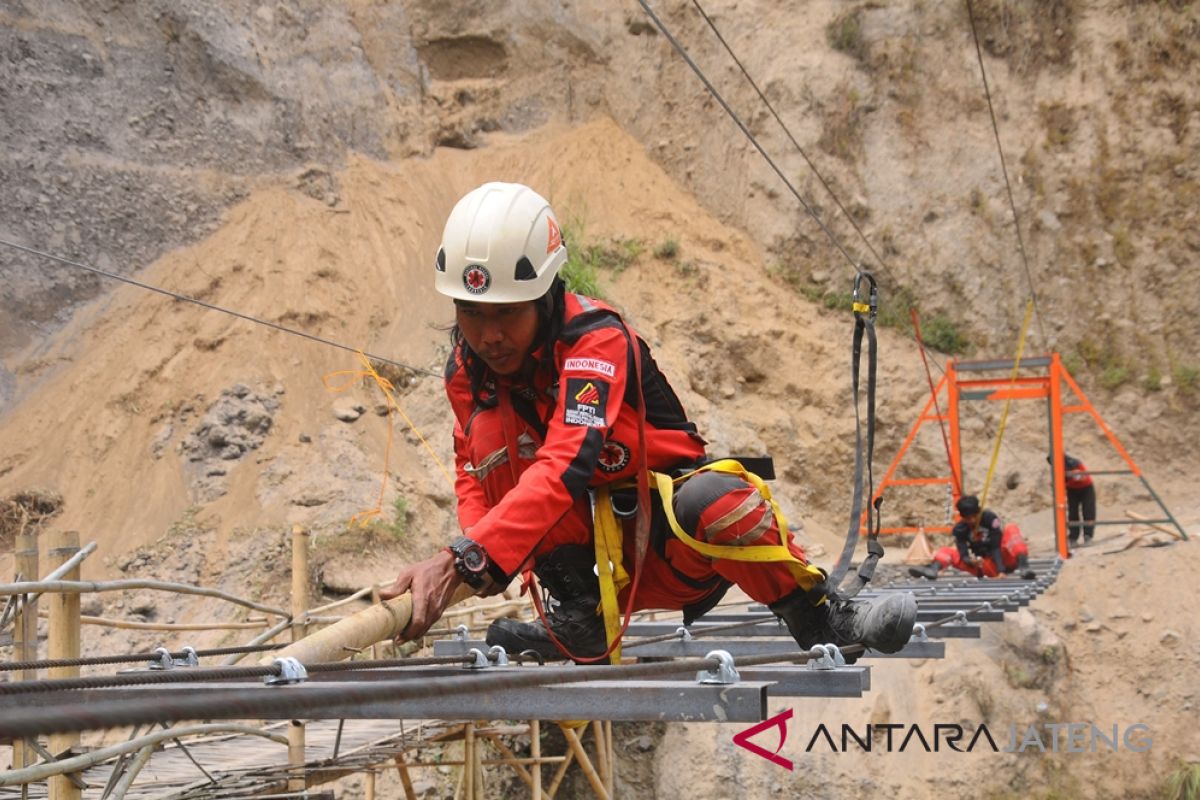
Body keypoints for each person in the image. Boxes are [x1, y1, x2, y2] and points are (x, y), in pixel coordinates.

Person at [380, 181, 917, 663]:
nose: (488, 334)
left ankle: (821, 615)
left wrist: (465, 558)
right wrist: (471, 557)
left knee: (712, 497)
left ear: (546, 297)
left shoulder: (595, 342)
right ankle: (579, 616)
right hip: (579, 559)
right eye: (472, 312)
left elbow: (567, 460)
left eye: (507, 312)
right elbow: (474, 472)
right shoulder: (467, 371)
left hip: (668, 544)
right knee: (495, 437)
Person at [908, 494, 1036, 581]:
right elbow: (963, 553)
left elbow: (996, 546)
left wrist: (1001, 571)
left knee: (1011, 528)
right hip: (984, 565)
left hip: (1003, 560)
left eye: (974, 516)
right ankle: (933, 569)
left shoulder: (990, 519)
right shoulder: (960, 529)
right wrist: (970, 561)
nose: (972, 520)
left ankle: (1024, 565)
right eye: (968, 518)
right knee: (946, 551)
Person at [1058, 453, 1096, 546]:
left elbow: (1081, 477)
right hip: (1071, 489)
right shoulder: (1058, 466)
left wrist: (1070, 476)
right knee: (1072, 513)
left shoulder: (1074, 463)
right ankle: (1073, 537)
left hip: (1086, 487)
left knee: (1088, 511)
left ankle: (1088, 536)